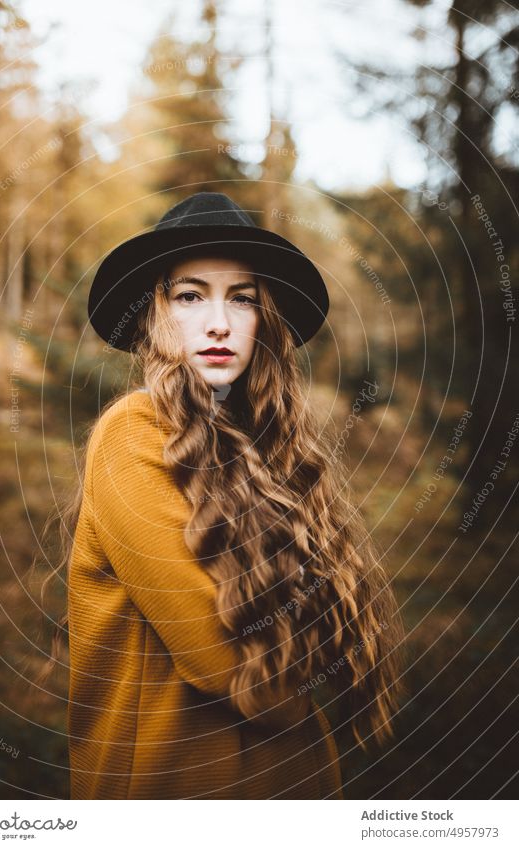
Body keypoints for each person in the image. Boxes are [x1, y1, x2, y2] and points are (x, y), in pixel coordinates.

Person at [59, 191, 405, 799]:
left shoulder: (265, 448)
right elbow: (230, 666)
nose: (218, 322)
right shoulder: (134, 434)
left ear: (262, 322)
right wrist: (310, 650)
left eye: (241, 299)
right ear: (153, 315)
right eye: (190, 296)